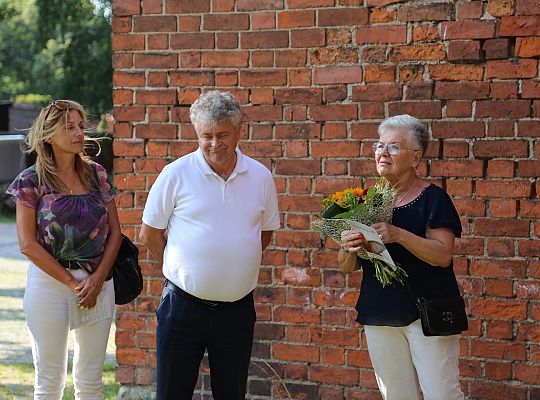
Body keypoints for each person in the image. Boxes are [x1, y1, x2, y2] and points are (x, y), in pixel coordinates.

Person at [139, 91, 280, 400]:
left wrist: (234, 262)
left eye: (223, 135)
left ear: (239, 130)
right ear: (197, 133)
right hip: (182, 307)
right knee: (172, 394)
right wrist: (181, 268)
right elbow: (149, 234)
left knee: (232, 394)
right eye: (207, 136)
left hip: (237, 311)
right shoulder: (175, 174)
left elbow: (264, 234)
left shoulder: (260, 176)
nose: (215, 143)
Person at [339, 114, 464, 400]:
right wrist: (346, 247)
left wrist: (398, 235)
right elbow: (347, 267)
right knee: (396, 395)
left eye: (393, 147)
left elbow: (443, 255)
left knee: (441, 393)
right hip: (380, 311)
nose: (382, 153)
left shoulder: (433, 198)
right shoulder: (365, 200)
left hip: (426, 314)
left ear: (416, 157)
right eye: (379, 146)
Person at [6, 100, 121, 400]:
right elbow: (27, 244)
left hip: (98, 282)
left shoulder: (97, 174)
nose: (78, 133)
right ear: (48, 135)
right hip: (50, 284)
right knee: (49, 381)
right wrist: (73, 283)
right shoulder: (31, 181)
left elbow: (116, 233)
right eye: (68, 127)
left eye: (80, 125)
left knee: (90, 380)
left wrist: (98, 279)